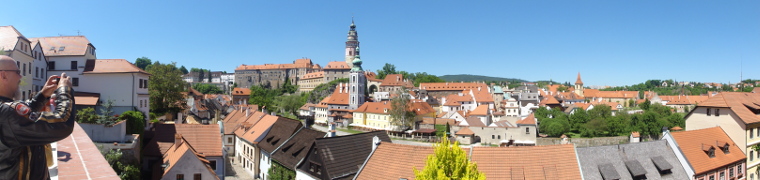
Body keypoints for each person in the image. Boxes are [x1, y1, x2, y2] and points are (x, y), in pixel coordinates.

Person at [0, 55, 75, 180]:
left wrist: (43, 94)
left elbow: (24, 117)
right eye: (18, 72)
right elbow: (62, 122)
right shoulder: (7, 113)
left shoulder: (6, 111)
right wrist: (65, 90)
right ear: (3, 75)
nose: (21, 77)